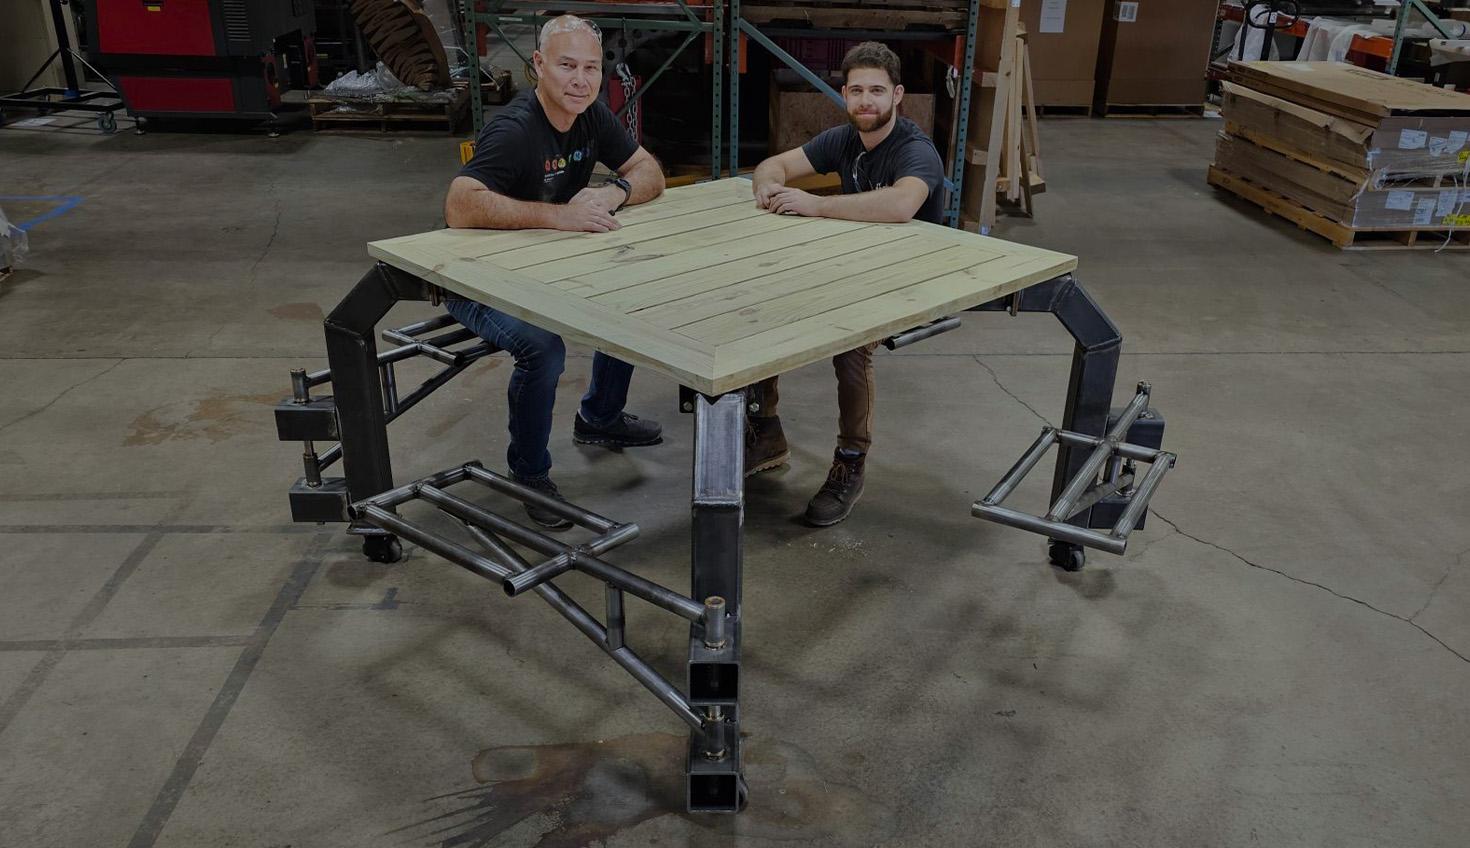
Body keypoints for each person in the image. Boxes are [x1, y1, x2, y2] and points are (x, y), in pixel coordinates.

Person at [443, 14, 667, 529]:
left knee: (628, 295)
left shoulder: (588, 114)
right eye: (567, 66)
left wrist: (615, 192)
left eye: (591, 67)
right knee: (542, 347)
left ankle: (600, 417)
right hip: (475, 276)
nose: (581, 80)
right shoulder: (515, 129)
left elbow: (649, 170)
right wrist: (558, 216)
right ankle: (528, 473)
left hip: (545, 263)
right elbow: (459, 205)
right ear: (537, 65)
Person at [746, 41, 945, 527]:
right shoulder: (843, 140)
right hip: (854, 267)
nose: (866, 101)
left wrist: (815, 205)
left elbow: (900, 206)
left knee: (850, 343)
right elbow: (774, 165)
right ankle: (766, 431)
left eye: (877, 91)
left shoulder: (916, 151)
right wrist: (766, 185)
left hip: (911, 278)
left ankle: (850, 463)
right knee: (763, 307)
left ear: (897, 95)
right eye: (856, 90)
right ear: (844, 94)